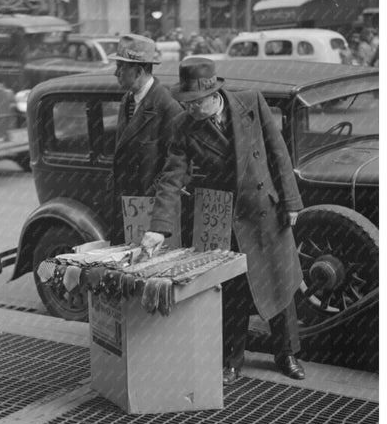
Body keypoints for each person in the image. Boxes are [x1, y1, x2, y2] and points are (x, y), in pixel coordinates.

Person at [141, 57, 306, 383]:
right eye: (184, 103)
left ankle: (286, 355)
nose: (188, 109)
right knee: (233, 291)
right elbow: (171, 179)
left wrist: (292, 201)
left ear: (212, 95)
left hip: (266, 211)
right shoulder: (184, 127)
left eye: (194, 103)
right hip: (226, 217)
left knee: (280, 284)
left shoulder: (251, 102)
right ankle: (231, 359)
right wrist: (158, 229)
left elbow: (278, 152)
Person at [109, 33, 183, 244]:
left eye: (121, 68)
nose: (116, 73)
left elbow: (178, 169)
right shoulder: (127, 100)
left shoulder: (168, 107)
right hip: (126, 208)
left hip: (152, 216)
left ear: (139, 71)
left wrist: (147, 199)